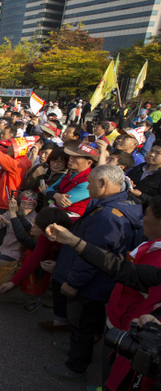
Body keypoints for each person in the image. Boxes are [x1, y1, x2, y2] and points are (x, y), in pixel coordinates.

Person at [45, 196, 161, 391]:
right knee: (112, 362)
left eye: (147, 214)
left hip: (133, 324)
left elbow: (124, 271)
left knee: (123, 371)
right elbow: (120, 267)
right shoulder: (152, 244)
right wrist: (74, 241)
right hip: (119, 315)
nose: (142, 217)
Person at [0, 129, 33, 255]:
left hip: (4, 204)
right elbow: (1, 150)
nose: (7, 148)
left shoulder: (19, 163)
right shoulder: (17, 157)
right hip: (1, 201)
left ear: (17, 151)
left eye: (11, 147)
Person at [44, 144, 99, 218]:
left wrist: (54, 194)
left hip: (71, 219)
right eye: (71, 156)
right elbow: (48, 190)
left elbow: (63, 203)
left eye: (76, 157)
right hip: (57, 213)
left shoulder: (87, 182)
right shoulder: (70, 173)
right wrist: (56, 195)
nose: (70, 159)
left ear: (88, 163)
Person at [127, 141, 161, 209]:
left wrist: (140, 195)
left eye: (158, 153)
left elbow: (158, 202)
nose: (152, 154)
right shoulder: (139, 168)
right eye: (151, 151)